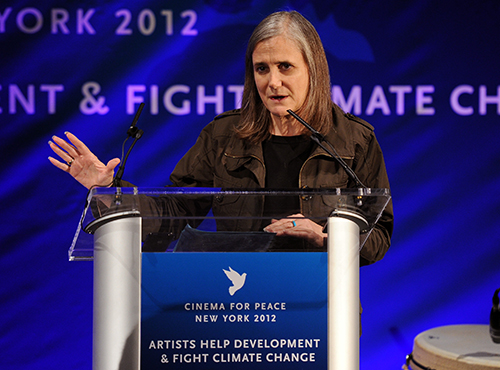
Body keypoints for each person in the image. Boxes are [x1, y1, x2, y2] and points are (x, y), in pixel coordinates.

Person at [48, 10, 393, 264]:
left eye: (285, 67)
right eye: (262, 68)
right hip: (233, 304)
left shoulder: (354, 140)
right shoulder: (224, 136)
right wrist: (111, 194)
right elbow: (176, 210)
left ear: (313, 70)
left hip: (322, 306)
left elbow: (378, 235)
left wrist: (325, 236)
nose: (272, 82)